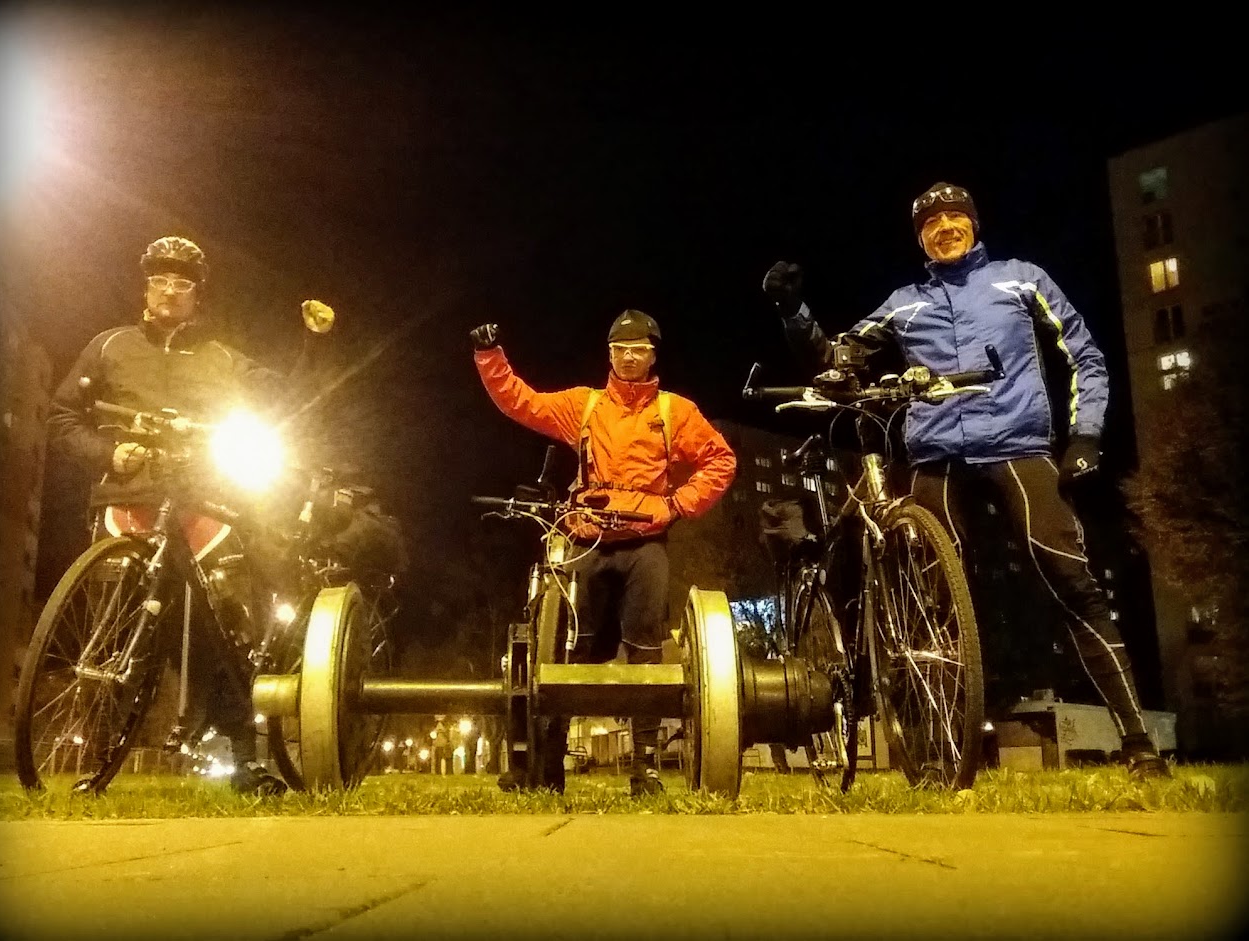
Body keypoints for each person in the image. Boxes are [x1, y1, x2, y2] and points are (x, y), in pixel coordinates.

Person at [761, 182, 1171, 780]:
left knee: (1069, 578)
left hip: (1017, 447)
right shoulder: (904, 303)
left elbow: (1085, 356)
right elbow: (837, 359)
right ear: (920, 237)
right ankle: (940, 754)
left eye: (956, 217)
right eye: (932, 222)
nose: (945, 227)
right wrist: (794, 313)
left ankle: (1139, 746)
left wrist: (1085, 436)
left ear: (975, 225)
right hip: (936, 458)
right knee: (929, 606)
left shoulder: (1021, 279)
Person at [47, 235, 290, 796]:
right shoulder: (109, 346)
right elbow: (62, 418)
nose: (170, 290)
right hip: (126, 506)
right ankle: (98, 757)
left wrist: (311, 349)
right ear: (146, 287)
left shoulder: (221, 357)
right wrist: (109, 453)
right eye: (160, 279)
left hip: (205, 508)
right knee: (115, 635)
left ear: (197, 295)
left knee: (223, 633)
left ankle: (245, 758)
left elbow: (281, 392)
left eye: (183, 282)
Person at [469, 311, 737, 795]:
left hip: (644, 543)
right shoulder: (585, 405)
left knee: (646, 650)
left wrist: (677, 505)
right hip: (587, 539)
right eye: (620, 349)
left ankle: (644, 768)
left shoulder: (675, 412)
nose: (629, 357)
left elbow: (721, 460)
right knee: (569, 649)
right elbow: (520, 402)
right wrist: (490, 356)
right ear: (609, 354)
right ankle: (548, 763)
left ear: (652, 355)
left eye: (639, 349)